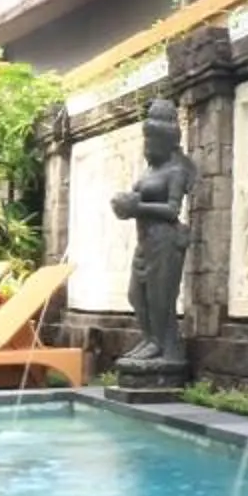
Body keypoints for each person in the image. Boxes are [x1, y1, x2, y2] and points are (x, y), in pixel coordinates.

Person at [110, 98, 195, 369]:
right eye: (145, 141)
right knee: (136, 294)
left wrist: (138, 207)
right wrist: (123, 204)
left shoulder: (177, 170)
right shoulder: (149, 170)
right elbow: (136, 201)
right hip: (144, 241)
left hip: (164, 240)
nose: (147, 147)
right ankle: (149, 339)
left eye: (152, 141)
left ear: (167, 142)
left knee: (160, 298)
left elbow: (172, 210)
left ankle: (164, 347)